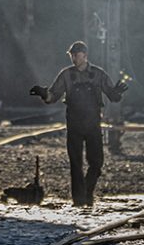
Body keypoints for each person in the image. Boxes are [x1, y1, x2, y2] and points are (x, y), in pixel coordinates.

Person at [30, 41, 127, 206]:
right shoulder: (66, 75)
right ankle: (79, 200)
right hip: (74, 124)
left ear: (85, 55)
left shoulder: (98, 74)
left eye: (76, 55)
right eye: (72, 55)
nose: (74, 58)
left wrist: (117, 93)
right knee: (75, 164)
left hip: (93, 124)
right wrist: (44, 94)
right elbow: (53, 96)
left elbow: (112, 96)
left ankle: (87, 192)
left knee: (96, 162)